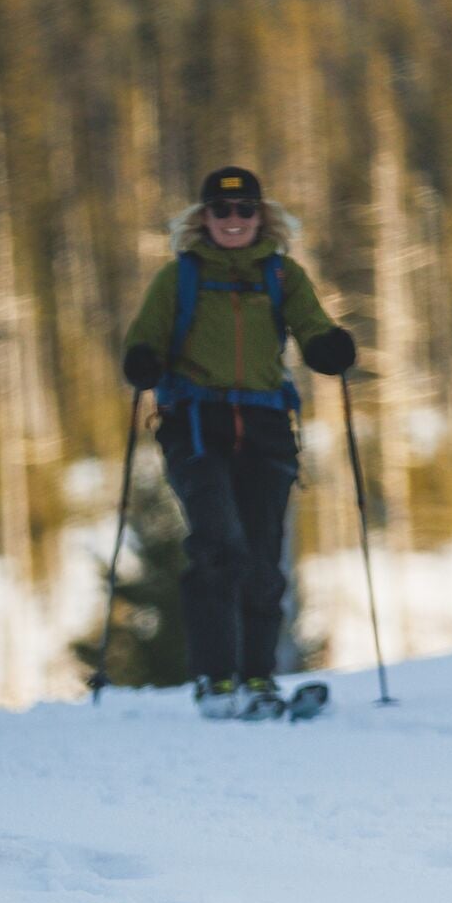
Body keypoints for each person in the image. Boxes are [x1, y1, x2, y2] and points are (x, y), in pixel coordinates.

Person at [121, 165, 355, 716]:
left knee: (264, 556)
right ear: (203, 218)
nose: (233, 219)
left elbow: (313, 327)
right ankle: (216, 679)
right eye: (221, 210)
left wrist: (329, 348)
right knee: (219, 544)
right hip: (196, 427)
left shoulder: (282, 276)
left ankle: (257, 678)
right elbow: (143, 340)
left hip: (267, 427)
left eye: (245, 209)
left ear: (260, 216)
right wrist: (143, 361)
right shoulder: (179, 278)